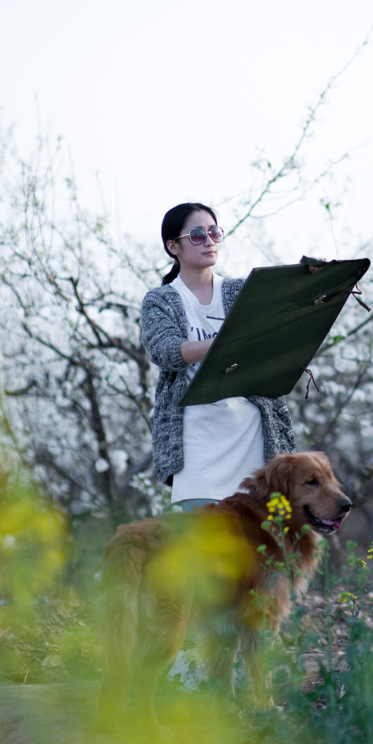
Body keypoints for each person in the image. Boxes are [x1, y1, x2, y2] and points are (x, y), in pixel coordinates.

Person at [139, 202, 296, 512]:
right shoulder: (161, 299)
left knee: (262, 547)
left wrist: (310, 275)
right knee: (206, 546)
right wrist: (227, 341)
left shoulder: (241, 291)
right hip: (197, 437)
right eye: (197, 235)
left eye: (214, 232)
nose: (209, 241)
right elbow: (167, 351)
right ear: (174, 246)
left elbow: (287, 314)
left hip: (251, 433)